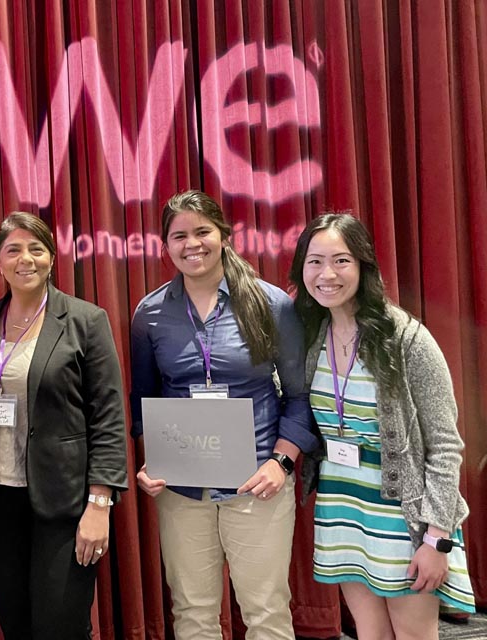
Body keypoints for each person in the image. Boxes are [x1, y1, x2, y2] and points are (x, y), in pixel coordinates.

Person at [131, 190, 319, 640]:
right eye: (180, 236)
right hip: (181, 487)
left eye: (202, 232)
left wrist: (282, 463)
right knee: (192, 610)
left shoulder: (270, 304)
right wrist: (150, 461)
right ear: (165, 245)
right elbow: (145, 399)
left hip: (257, 482)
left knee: (265, 610)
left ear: (223, 236)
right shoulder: (150, 313)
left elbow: (300, 395)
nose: (192, 244)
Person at [289, 212, 475, 639]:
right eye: (315, 261)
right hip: (342, 506)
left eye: (341, 260)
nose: (327, 274)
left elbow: (446, 446)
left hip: (402, 515)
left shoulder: (407, 338)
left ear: (363, 266)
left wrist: (436, 540)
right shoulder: (311, 334)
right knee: (371, 634)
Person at [0, 212, 128, 640]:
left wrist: (100, 505)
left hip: (64, 504)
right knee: (17, 624)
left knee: (60, 627)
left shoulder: (86, 321)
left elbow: (108, 417)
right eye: (13, 249)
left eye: (36, 248)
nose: (25, 259)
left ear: (52, 257)